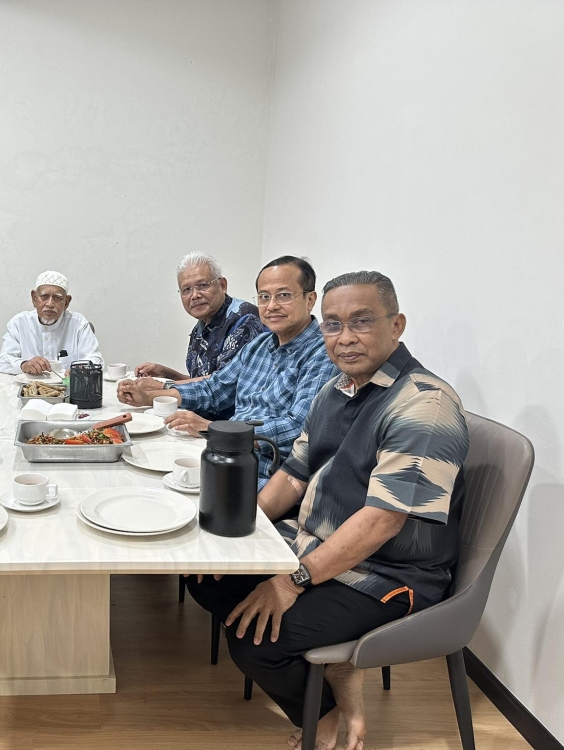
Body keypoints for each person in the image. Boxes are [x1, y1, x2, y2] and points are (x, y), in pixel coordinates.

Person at [186, 271, 469, 750]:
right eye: (333, 325)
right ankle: (338, 676)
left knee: (258, 643)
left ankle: (328, 718)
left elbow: (383, 521)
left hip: (389, 573)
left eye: (361, 321)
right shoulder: (337, 390)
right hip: (318, 546)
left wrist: (292, 580)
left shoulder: (425, 407)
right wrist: (239, 536)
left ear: (397, 325)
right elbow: (294, 475)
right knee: (206, 576)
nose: (345, 338)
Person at [118, 256, 337, 486]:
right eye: (264, 297)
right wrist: (151, 395)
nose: (271, 306)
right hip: (224, 453)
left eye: (283, 295)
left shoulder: (322, 353)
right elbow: (214, 389)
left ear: (310, 299)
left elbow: (297, 428)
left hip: (266, 475)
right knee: (137, 460)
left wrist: (216, 430)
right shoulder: (260, 346)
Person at [134, 252, 264, 383]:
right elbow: (199, 383)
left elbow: (221, 386)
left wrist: (159, 387)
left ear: (222, 285)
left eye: (203, 285)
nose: (195, 295)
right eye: (187, 289)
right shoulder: (202, 325)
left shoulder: (244, 319)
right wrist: (166, 373)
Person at [0, 270, 103, 374]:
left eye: (57, 298)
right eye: (44, 296)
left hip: (68, 388)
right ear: (34, 299)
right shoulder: (19, 323)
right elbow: (3, 362)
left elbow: (95, 359)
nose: (50, 304)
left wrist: (80, 370)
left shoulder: (78, 323)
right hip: (29, 388)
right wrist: (24, 365)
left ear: (66, 302)